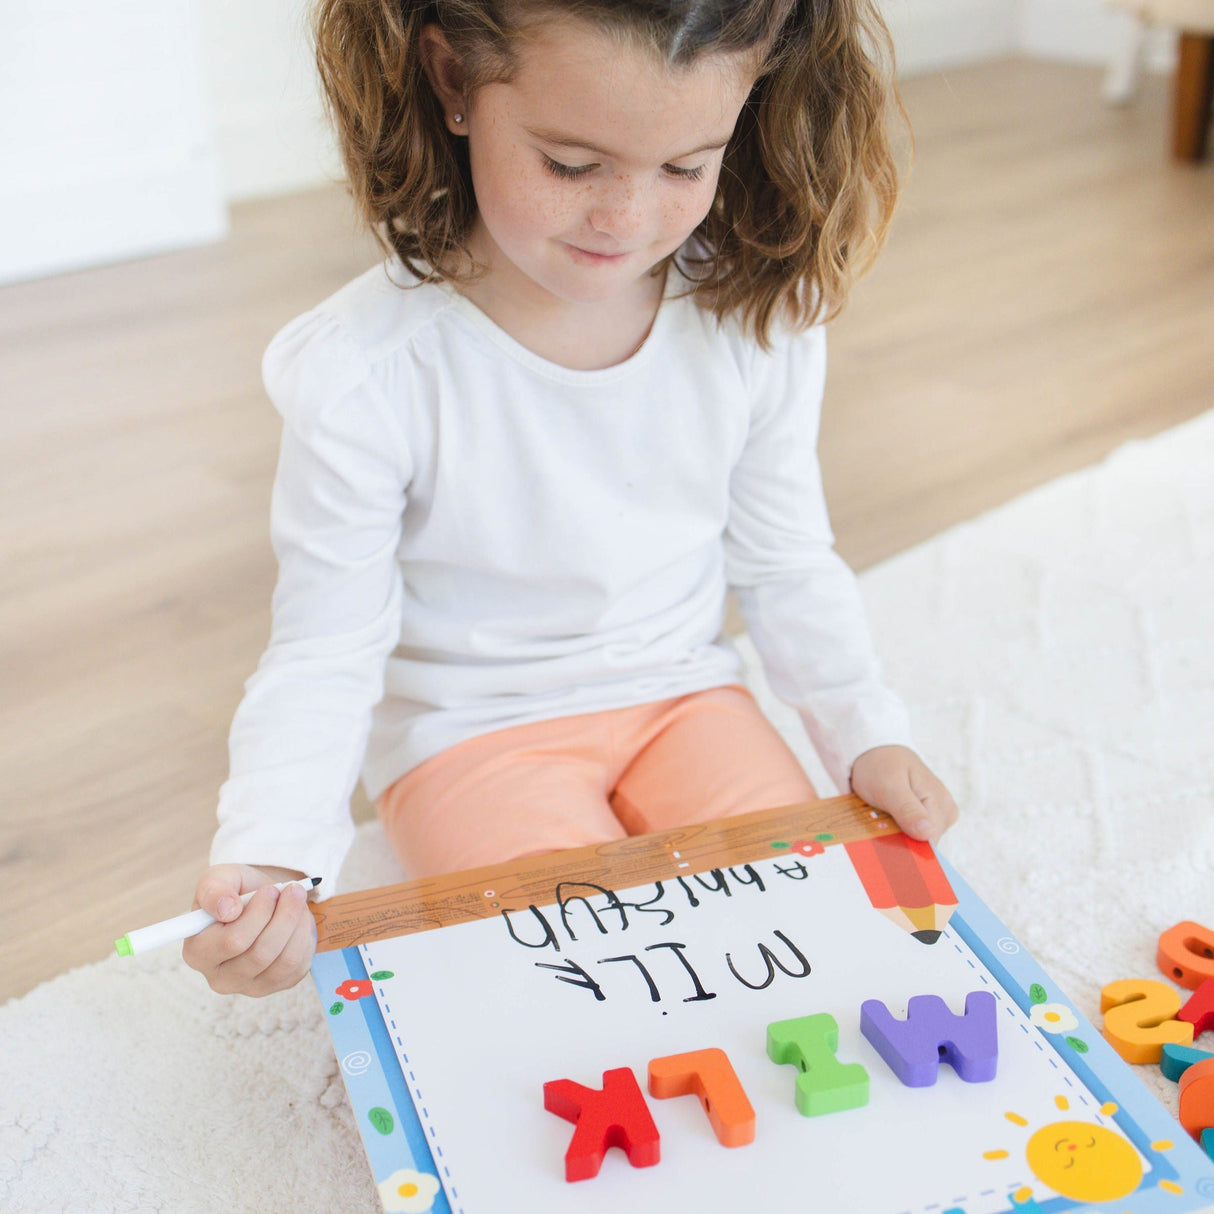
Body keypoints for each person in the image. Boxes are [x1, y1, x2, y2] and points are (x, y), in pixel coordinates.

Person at [184, 0, 959, 998]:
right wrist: (274, 849)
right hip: (469, 728)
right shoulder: (363, 373)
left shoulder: (751, 319)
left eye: (684, 166)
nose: (624, 219)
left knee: (798, 928)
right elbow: (324, 646)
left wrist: (866, 731)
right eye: (569, 163)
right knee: (573, 978)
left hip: (682, 693)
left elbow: (785, 562)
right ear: (456, 82)